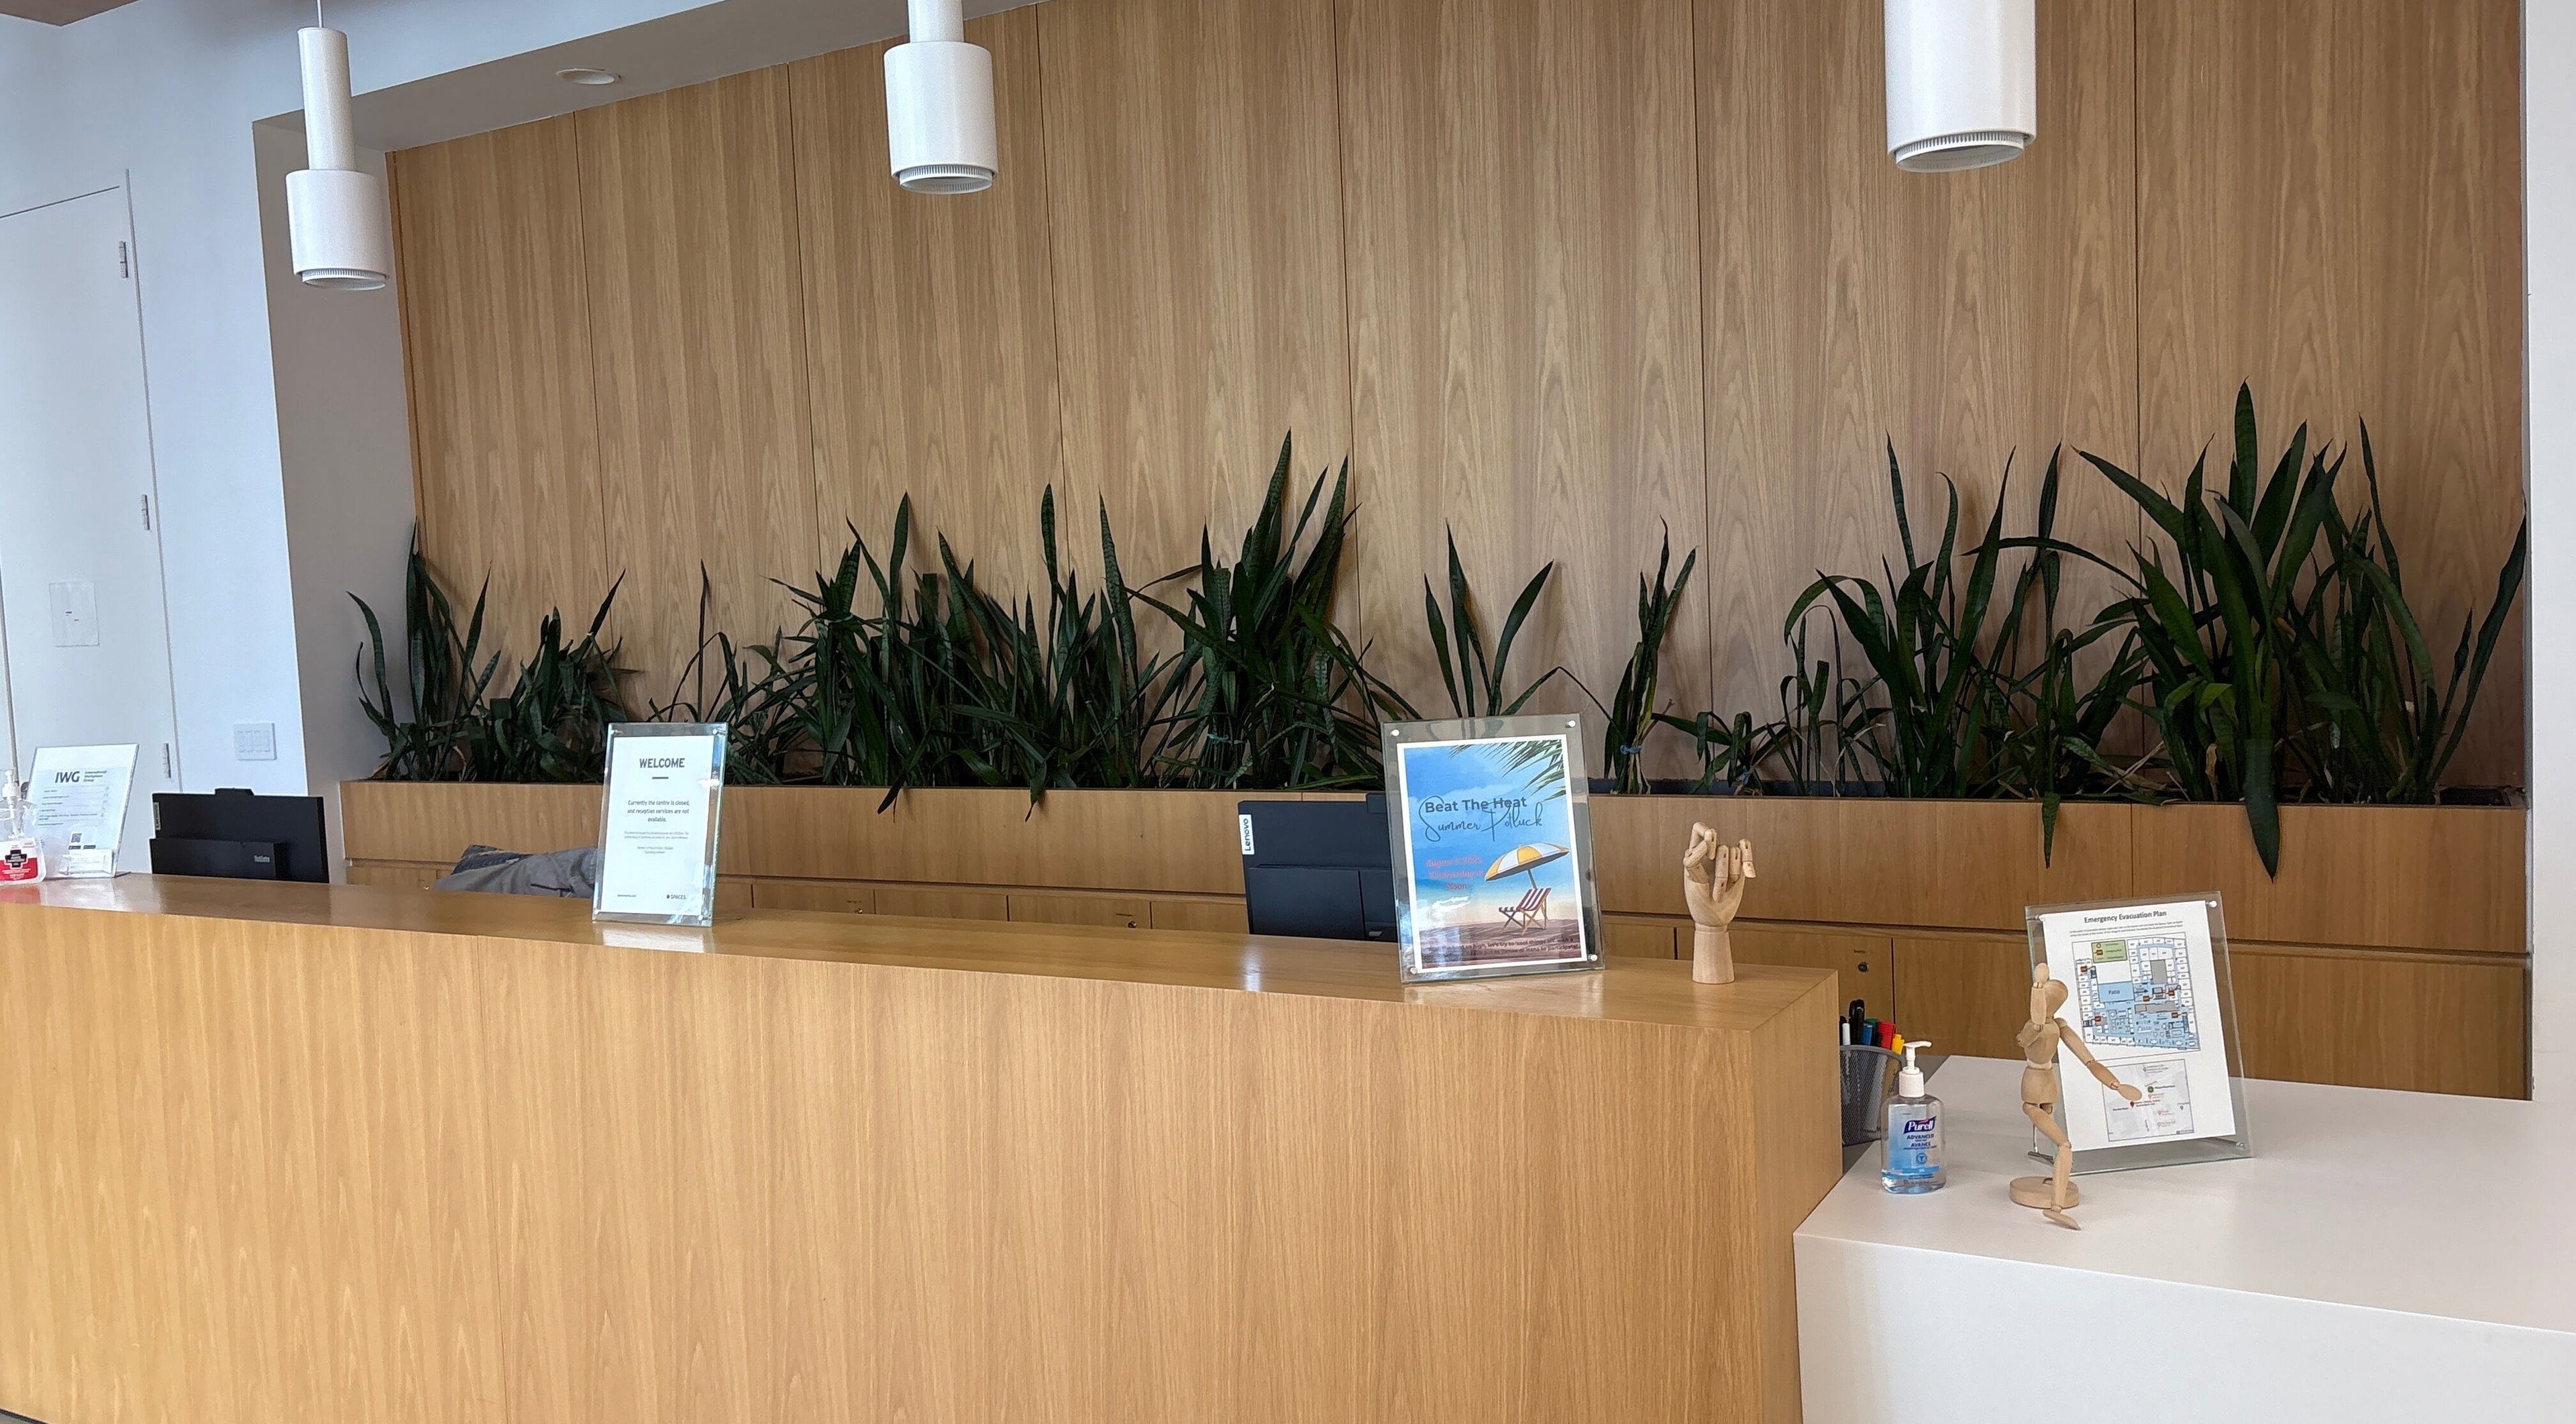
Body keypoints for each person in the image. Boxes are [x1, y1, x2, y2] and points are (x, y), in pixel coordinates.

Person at [2015, 961, 2143, 1229]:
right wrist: (2037, 987)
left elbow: (2090, 1061)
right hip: (2034, 1087)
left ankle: (2055, 1188)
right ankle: (2056, 1207)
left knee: (2057, 1142)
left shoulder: (2059, 1026)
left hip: (2049, 1087)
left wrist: (2115, 1085)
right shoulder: (2034, 1027)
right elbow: (2032, 1029)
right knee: (2064, 1145)